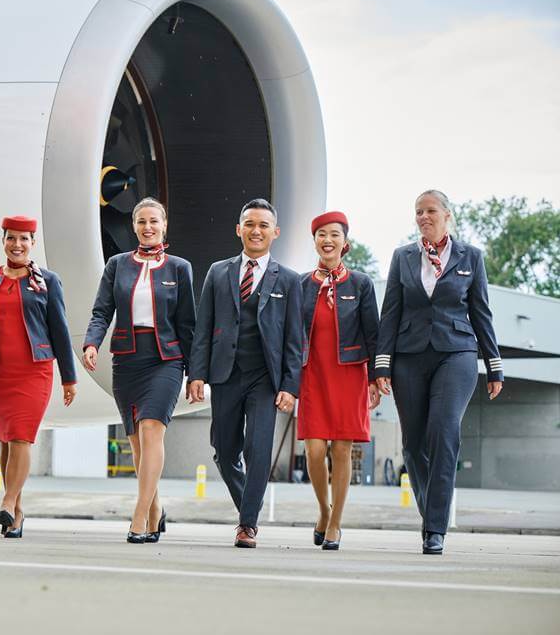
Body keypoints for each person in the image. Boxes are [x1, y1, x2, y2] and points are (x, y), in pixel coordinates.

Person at [375, 189, 503, 555]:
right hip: (409, 356)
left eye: (430, 210)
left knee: (443, 432)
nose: (423, 217)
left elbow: (481, 312)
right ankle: (431, 511)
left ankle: (435, 529)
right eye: (418, 212)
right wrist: (381, 364)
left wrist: (494, 365)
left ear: (447, 215)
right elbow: (391, 313)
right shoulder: (403, 257)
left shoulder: (470, 258)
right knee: (414, 444)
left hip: (457, 353)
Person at [187, 198, 302, 549]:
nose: (256, 231)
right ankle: (247, 507)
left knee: (258, 449)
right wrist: (197, 374)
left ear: (275, 233)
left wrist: (290, 385)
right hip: (226, 373)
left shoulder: (291, 280)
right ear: (239, 229)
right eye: (250, 224)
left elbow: (295, 338)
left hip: (265, 378)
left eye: (263, 225)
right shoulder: (218, 273)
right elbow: (203, 327)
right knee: (223, 449)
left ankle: (247, 525)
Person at [83, 198, 195, 543]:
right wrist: (91, 342)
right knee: (136, 442)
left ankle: (139, 516)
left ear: (164, 226)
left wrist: (196, 373)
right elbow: (102, 311)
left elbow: (189, 323)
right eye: (142, 221)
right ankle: (155, 509)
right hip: (128, 359)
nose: (148, 227)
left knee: (151, 429)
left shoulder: (179, 268)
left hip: (166, 359)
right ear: (134, 226)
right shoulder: (117, 265)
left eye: (154, 222)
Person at [0, 215, 77, 538]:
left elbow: (60, 330)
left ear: (33, 243)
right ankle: (17, 514)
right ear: (3, 240)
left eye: (24, 239)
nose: (17, 245)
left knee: (21, 435)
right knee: (6, 439)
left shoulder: (47, 281)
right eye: (11, 238)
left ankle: (7, 501)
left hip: (35, 369)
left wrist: (69, 377)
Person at [298, 211, 381, 551]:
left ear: (345, 243)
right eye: (321, 234)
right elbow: (291, 336)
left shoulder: (361, 284)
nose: (327, 240)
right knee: (315, 450)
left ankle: (335, 523)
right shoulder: (301, 284)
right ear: (315, 241)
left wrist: (377, 377)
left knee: (342, 450)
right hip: (312, 374)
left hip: (349, 373)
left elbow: (374, 334)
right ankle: (323, 509)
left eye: (334, 234)